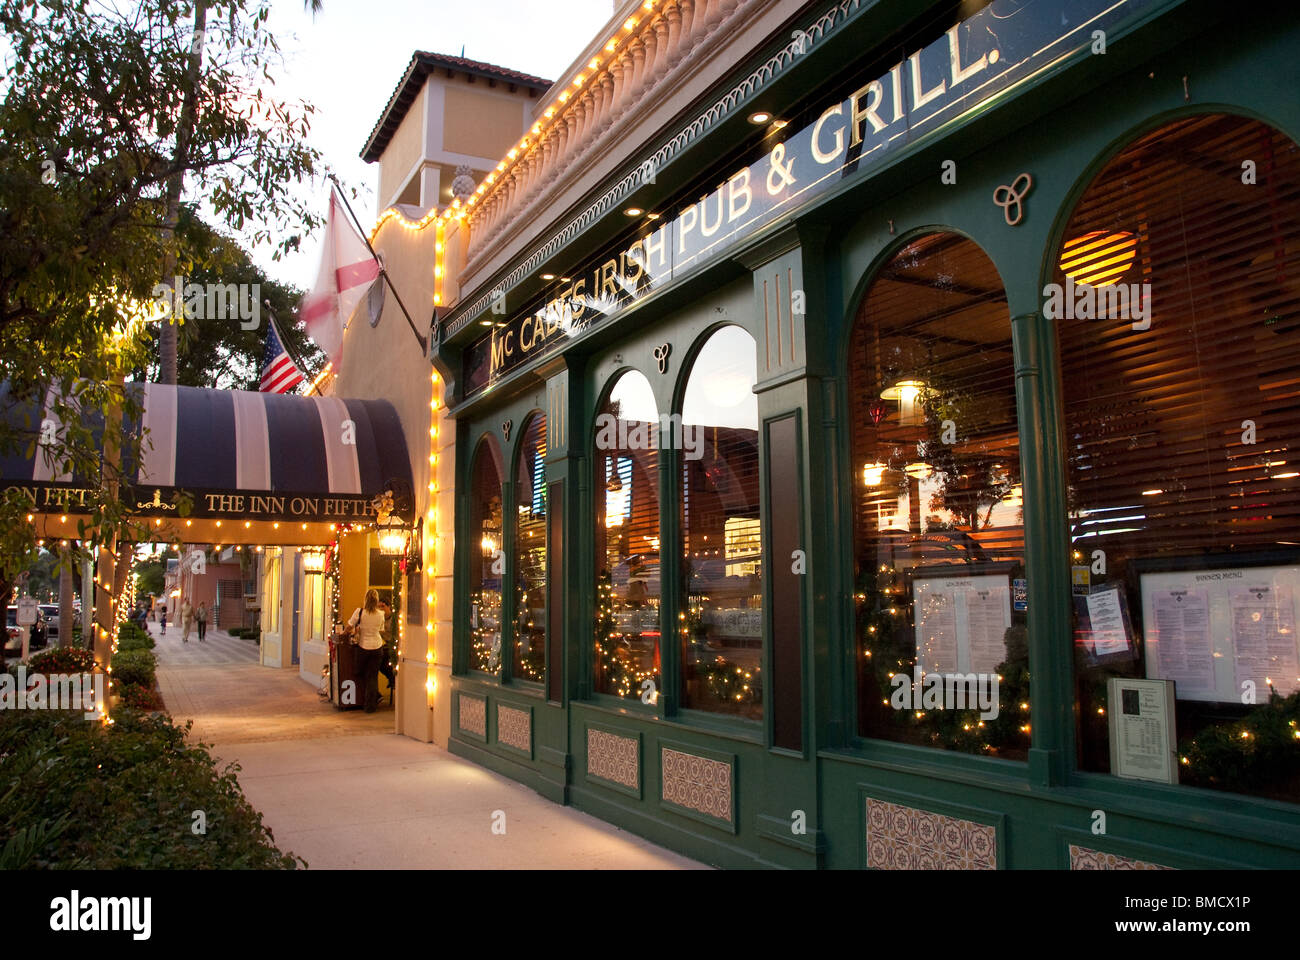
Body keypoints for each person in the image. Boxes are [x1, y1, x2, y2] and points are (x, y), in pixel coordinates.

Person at [347, 589, 387, 713]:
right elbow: (381, 630)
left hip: (363, 646)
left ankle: (369, 700)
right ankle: (371, 704)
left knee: (359, 672)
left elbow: (349, 626)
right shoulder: (381, 614)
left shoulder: (360, 612)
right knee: (372, 676)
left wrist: (345, 633)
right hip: (377, 647)